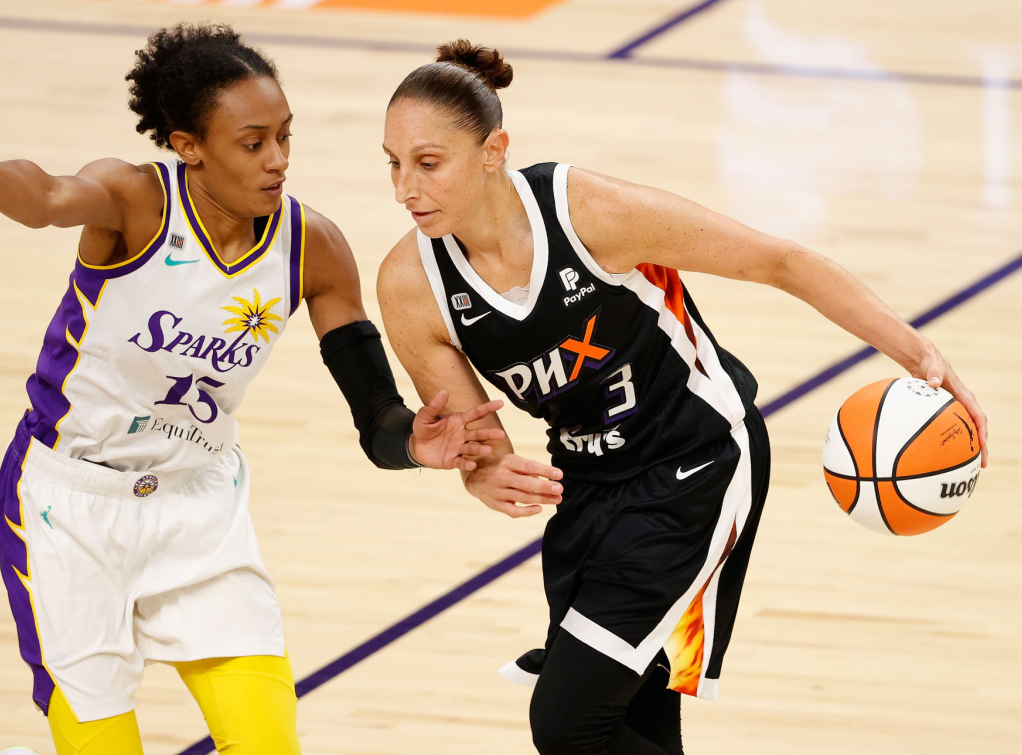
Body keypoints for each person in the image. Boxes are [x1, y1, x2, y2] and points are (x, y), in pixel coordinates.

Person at [0, 24, 506, 755]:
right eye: (253, 142)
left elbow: (377, 417)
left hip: (198, 506)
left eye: (285, 137)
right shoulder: (133, 201)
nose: (278, 160)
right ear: (187, 145)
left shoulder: (314, 246)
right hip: (68, 509)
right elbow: (46, 195)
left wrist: (412, 445)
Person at [376, 40, 988, 755]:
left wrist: (919, 353)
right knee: (632, 718)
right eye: (391, 163)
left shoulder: (586, 213)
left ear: (492, 150)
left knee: (568, 724)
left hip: (696, 462)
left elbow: (778, 260)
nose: (404, 189)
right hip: (588, 487)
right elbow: (482, 449)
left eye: (427, 163)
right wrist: (485, 475)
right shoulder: (411, 287)